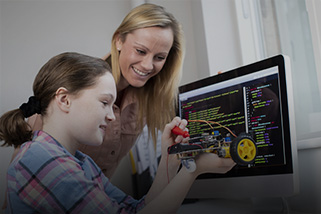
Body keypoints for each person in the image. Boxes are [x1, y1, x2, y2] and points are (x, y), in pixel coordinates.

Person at [0, 52, 235, 213]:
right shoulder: (40, 158)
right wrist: (194, 171)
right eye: (104, 103)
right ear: (64, 99)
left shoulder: (80, 162)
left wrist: (170, 158)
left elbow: (136, 209)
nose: (112, 116)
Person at [26, 3, 185, 196]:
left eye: (160, 57)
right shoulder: (76, 84)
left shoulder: (150, 96)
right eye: (141, 51)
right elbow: (27, 165)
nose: (148, 65)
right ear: (119, 40)